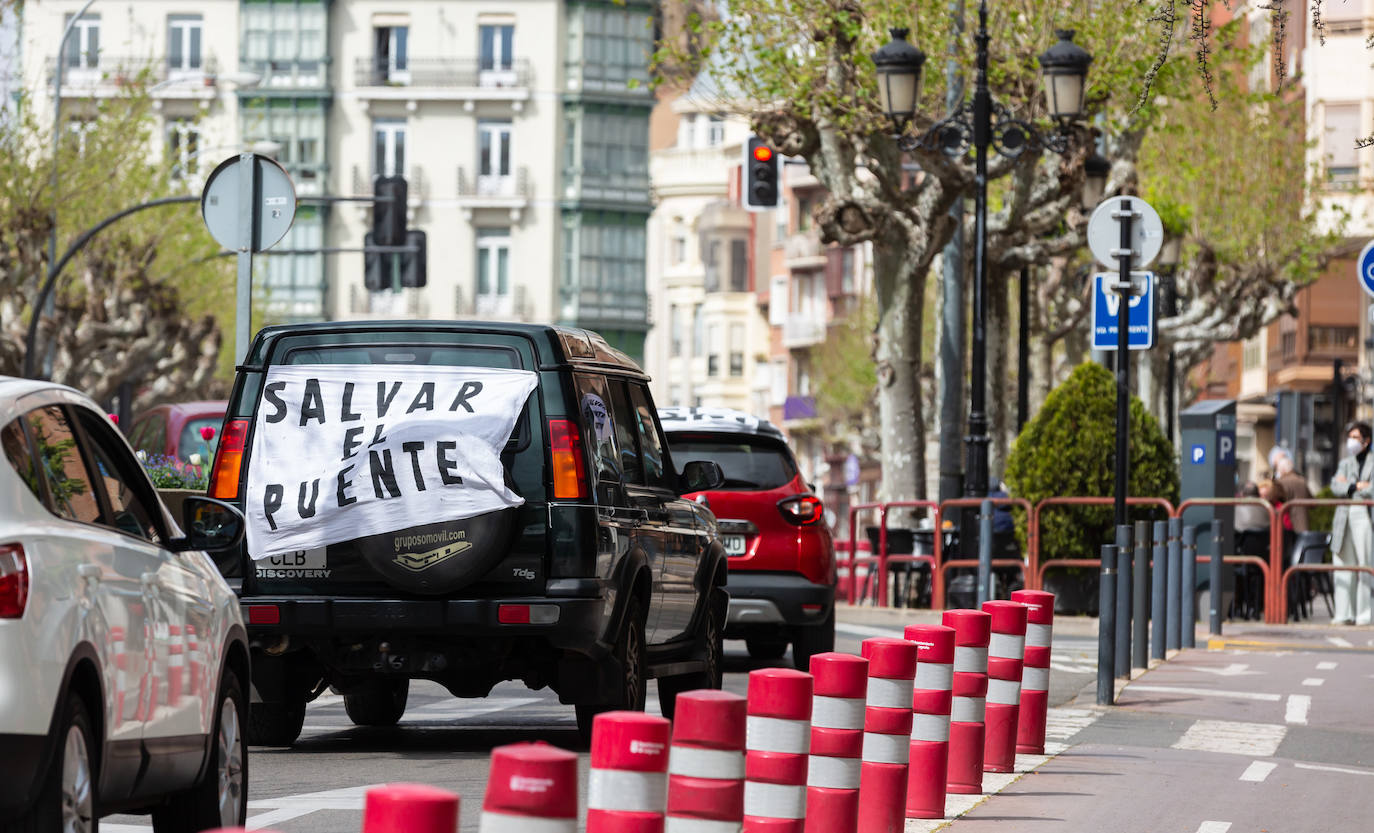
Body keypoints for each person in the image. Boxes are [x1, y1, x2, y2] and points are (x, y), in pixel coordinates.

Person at [1329, 421, 1374, 625]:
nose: (1352, 441)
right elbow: (1334, 487)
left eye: (1356, 437)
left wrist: (1347, 486)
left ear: (1366, 441)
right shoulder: (1345, 462)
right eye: (1350, 437)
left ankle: (1364, 614)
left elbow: (1372, 491)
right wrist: (1356, 486)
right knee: (1342, 563)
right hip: (1343, 514)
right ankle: (1343, 613)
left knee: (1365, 563)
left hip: (1364, 513)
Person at [1271, 448, 1311, 533]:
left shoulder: (1280, 482)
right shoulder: (1302, 480)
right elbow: (1313, 503)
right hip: (1303, 524)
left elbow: (1272, 500)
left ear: (1283, 470)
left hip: (1286, 525)